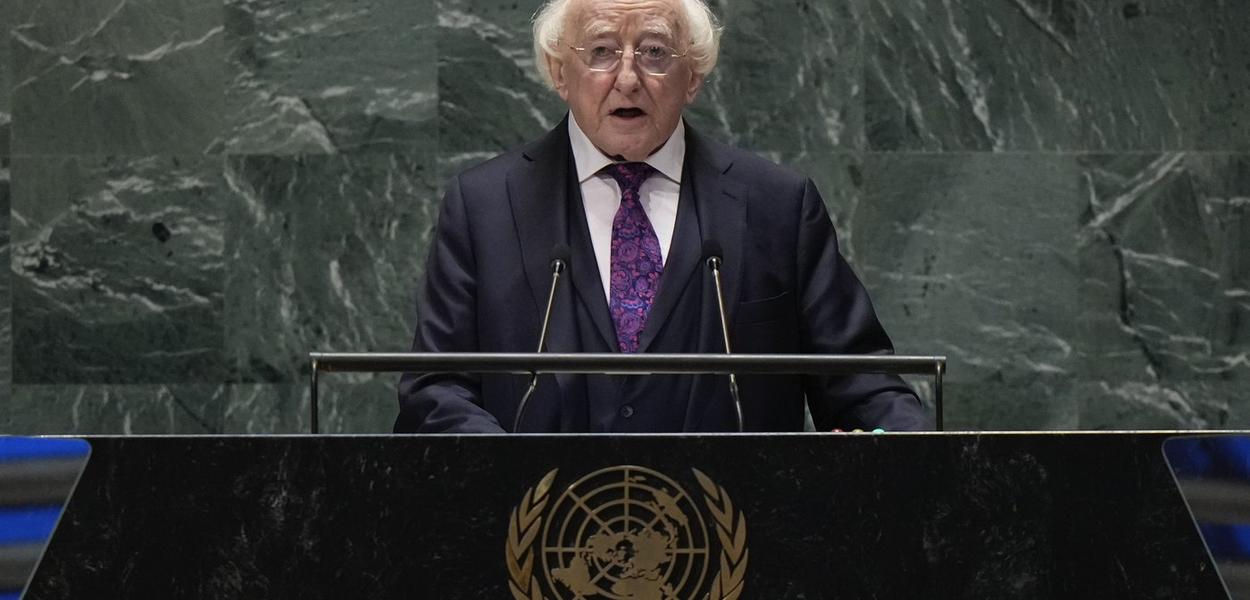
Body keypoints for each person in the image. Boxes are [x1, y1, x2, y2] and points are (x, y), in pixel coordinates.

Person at [395, 0, 932, 433]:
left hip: (735, 546)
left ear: (693, 76)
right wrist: (505, 474)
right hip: (536, 541)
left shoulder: (776, 206)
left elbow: (861, 380)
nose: (627, 78)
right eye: (602, 51)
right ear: (561, 72)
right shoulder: (485, 204)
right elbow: (436, 388)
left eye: (654, 52)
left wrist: (907, 448)